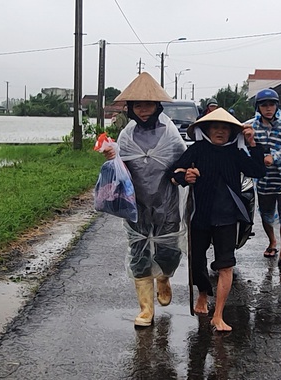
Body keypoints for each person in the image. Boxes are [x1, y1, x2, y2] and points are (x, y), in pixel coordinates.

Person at [102, 72, 187, 328]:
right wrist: (110, 156)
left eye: (148, 104)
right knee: (138, 253)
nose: (143, 110)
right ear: (130, 108)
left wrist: (183, 173)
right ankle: (146, 310)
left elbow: (182, 161)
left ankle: (163, 278)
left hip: (166, 202)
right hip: (136, 204)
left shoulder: (170, 133)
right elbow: (119, 165)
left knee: (168, 252)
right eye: (137, 105)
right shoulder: (126, 135)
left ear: (157, 106)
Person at [169, 107, 266, 332]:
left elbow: (258, 171)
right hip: (200, 215)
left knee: (226, 264)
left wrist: (253, 144)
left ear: (232, 132)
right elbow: (173, 173)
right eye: (215, 127)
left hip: (227, 217)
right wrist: (185, 176)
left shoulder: (235, 153)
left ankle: (219, 314)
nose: (220, 132)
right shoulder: (198, 150)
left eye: (225, 128)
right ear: (207, 129)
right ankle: (203, 293)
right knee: (197, 261)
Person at [243, 88, 281, 270]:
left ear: (277, 106)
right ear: (258, 107)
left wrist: (275, 156)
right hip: (264, 181)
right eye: (264, 105)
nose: (268, 108)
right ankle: (272, 242)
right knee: (266, 215)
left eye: (271, 104)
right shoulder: (251, 126)